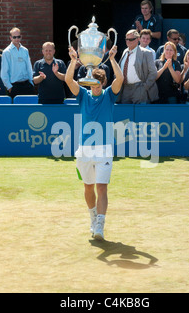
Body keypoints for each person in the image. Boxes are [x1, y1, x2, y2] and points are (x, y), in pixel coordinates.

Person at [65, 44, 123, 241]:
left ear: (103, 83)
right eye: (93, 83)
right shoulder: (83, 95)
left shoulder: (108, 96)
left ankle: (100, 224)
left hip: (104, 149)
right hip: (84, 149)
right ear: (89, 84)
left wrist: (113, 58)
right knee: (88, 187)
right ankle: (92, 218)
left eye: (99, 83)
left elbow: (120, 79)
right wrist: (73, 60)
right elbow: (68, 80)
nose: (96, 86)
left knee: (102, 187)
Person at [118, 29, 158, 104]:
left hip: (139, 87)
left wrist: (145, 87)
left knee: (140, 113)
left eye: (131, 39)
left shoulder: (146, 53)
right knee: (125, 113)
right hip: (125, 88)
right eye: (127, 39)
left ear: (138, 39)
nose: (128, 41)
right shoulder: (125, 51)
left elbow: (153, 72)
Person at [1, 27, 35, 99]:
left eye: (18, 37)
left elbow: (29, 67)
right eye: (14, 37)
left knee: (30, 109)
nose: (17, 39)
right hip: (15, 86)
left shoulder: (25, 50)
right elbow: (4, 72)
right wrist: (9, 87)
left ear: (21, 37)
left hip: (27, 85)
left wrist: (31, 82)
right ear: (10, 38)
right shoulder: (7, 52)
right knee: (17, 110)